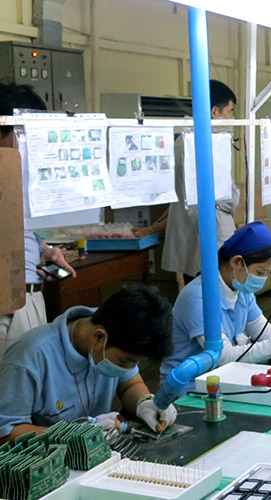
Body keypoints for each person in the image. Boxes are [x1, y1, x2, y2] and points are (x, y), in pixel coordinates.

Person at [0, 286, 178, 445]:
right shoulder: (30, 357)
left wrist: (145, 403)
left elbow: (130, 384)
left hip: (100, 454)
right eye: (125, 361)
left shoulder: (118, 327)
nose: (128, 367)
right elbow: (6, 432)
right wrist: (70, 435)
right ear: (99, 337)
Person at [161, 222, 271, 395]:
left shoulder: (240, 289)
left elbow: (263, 332)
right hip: (189, 389)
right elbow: (224, 356)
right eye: (260, 272)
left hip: (223, 378)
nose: (264, 280)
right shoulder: (199, 297)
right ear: (236, 262)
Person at [0, 83, 78, 359]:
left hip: (31, 296)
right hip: (8, 308)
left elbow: (15, 232)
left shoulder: (16, 176)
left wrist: (43, 251)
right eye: (26, 133)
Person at [138, 80, 240, 282]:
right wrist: (232, 197)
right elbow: (228, 198)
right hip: (209, 238)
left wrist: (151, 228)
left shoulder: (183, 140)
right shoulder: (205, 144)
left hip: (194, 238)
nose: (230, 117)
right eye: (229, 111)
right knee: (213, 299)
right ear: (214, 111)